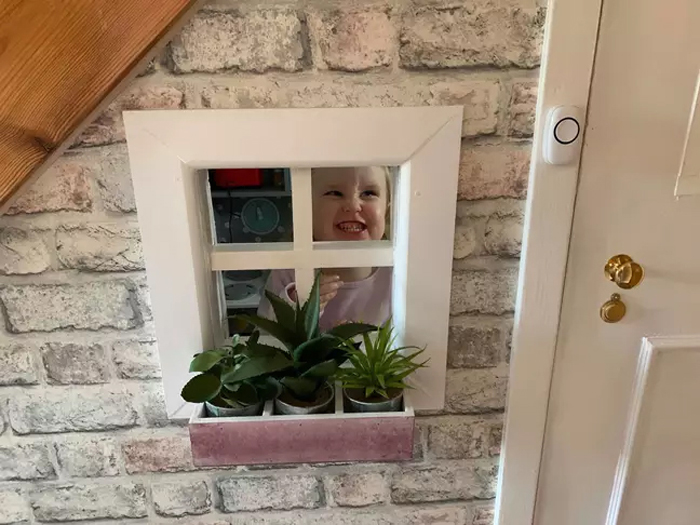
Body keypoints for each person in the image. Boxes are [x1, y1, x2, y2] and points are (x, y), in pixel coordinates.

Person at [257, 166, 392, 332]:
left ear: (387, 208)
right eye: (335, 193)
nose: (353, 205)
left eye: (369, 193)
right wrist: (293, 304)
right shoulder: (289, 271)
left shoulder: (398, 274)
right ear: (306, 209)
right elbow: (263, 336)